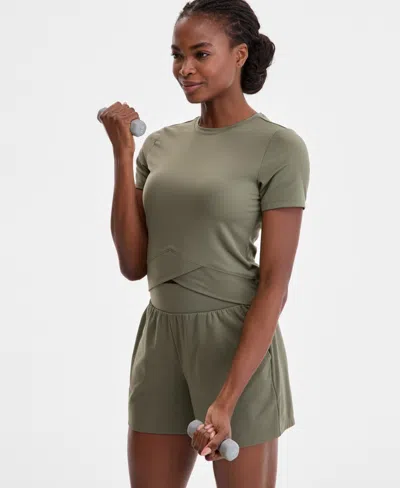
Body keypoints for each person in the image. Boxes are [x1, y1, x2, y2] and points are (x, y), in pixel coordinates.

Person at [102, 1, 310, 486]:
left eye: (200, 53)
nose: (185, 68)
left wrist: (228, 397)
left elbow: (275, 286)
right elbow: (133, 264)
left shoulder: (279, 147)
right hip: (160, 337)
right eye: (177, 55)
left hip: (235, 345)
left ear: (239, 55)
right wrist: (123, 153)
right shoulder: (159, 146)